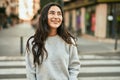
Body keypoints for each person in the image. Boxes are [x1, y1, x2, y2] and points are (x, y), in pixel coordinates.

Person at [25, 2, 80, 80]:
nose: (56, 17)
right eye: (52, 13)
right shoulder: (33, 43)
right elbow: (30, 72)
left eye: (59, 14)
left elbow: (74, 66)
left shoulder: (69, 41)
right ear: (44, 17)